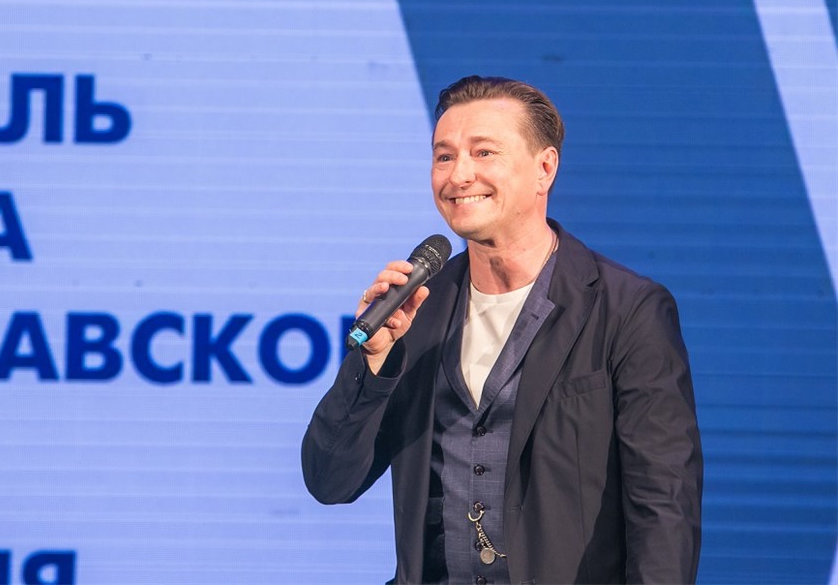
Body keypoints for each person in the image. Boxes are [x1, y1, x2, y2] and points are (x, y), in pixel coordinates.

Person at [301, 76, 703, 584]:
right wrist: (375, 361)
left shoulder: (627, 310)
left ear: (544, 168)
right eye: (444, 156)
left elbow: (664, 509)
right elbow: (330, 480)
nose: (458, 175)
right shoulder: (417, 310)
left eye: (484, 152)